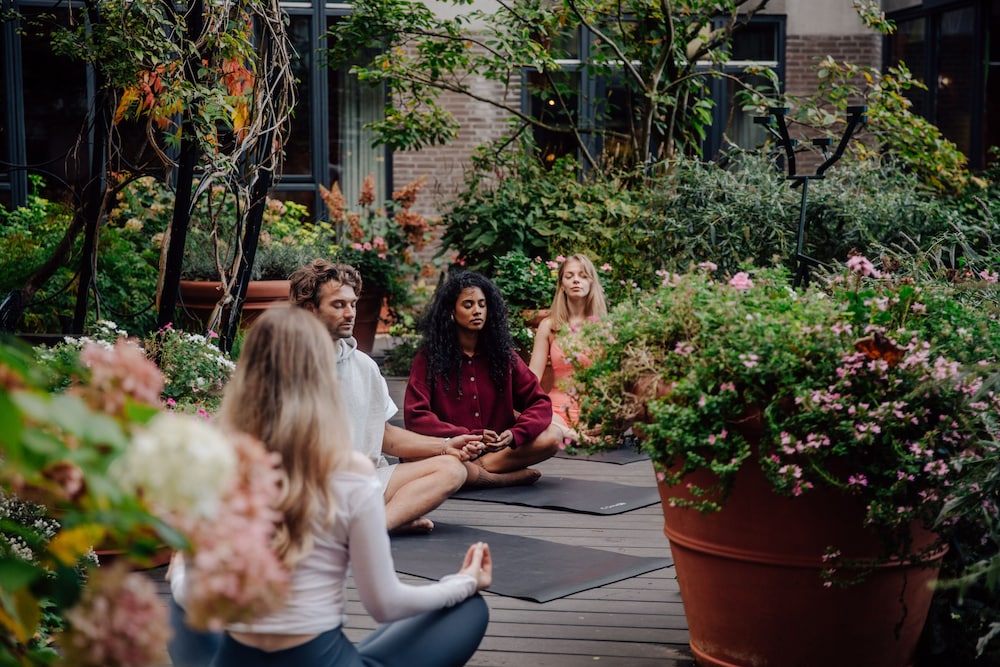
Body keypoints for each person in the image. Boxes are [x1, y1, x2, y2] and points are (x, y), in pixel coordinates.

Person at [169, 308, 491, 667]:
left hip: (234, 660)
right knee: (468, 608)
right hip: (322, 658)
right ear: (320, 377)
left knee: (180, 601)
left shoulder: (217, 465)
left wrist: (180, 570)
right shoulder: (350, 471)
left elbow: (190, 593)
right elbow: (386, 605)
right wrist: (463, 582)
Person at [289, 259, 485, 532]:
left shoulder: (364, 366)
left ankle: (374, 526)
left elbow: (386, 436)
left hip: (365, 483)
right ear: (311, 309)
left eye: (353, 304)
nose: (350, 313)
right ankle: (382, 521)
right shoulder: (286, 365)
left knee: (452, 469)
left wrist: (445, 445)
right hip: (310, 492)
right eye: (338, 305)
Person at [404, 270, 562, 488]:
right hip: (453, 448)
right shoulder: (429, 358)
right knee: (409, 454)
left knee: (553, 436)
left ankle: (474, 472)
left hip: (497, 451)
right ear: (452, 311)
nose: (477, 310)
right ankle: (498, 477)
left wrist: (514, 434)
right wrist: (467, 436)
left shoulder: (503, 356)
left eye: (482, 304)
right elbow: (416, 416)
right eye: (468, 305)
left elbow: (540, 403)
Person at [528, 254, 608, 445]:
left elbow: (615, 381)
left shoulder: (606, 327)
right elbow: (531, 380)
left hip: (596, 414)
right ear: (562, 284)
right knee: (537, 419)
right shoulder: (549, 326)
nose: (576, 280)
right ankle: (577, 437)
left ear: (591, 282)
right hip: (556, 415)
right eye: (569, 276)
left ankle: (576, 436)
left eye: (583, 275)